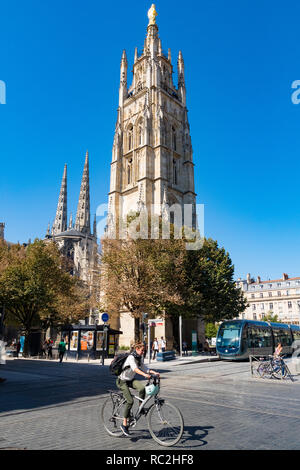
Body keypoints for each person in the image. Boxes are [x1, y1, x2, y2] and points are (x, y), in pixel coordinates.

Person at [116, 341, 160, 437]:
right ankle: (124, 424)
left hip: (130, 380)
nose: (143, 352)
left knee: (142, 388)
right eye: (142, 350)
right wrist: (144, 375)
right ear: (137, 349)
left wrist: (153, 372)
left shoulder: (139, 358)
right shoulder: (131, 357)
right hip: (122, 381)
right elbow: (135, 369)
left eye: (144, 351)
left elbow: (144, 367)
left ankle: (141, 407)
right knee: (130, 401)